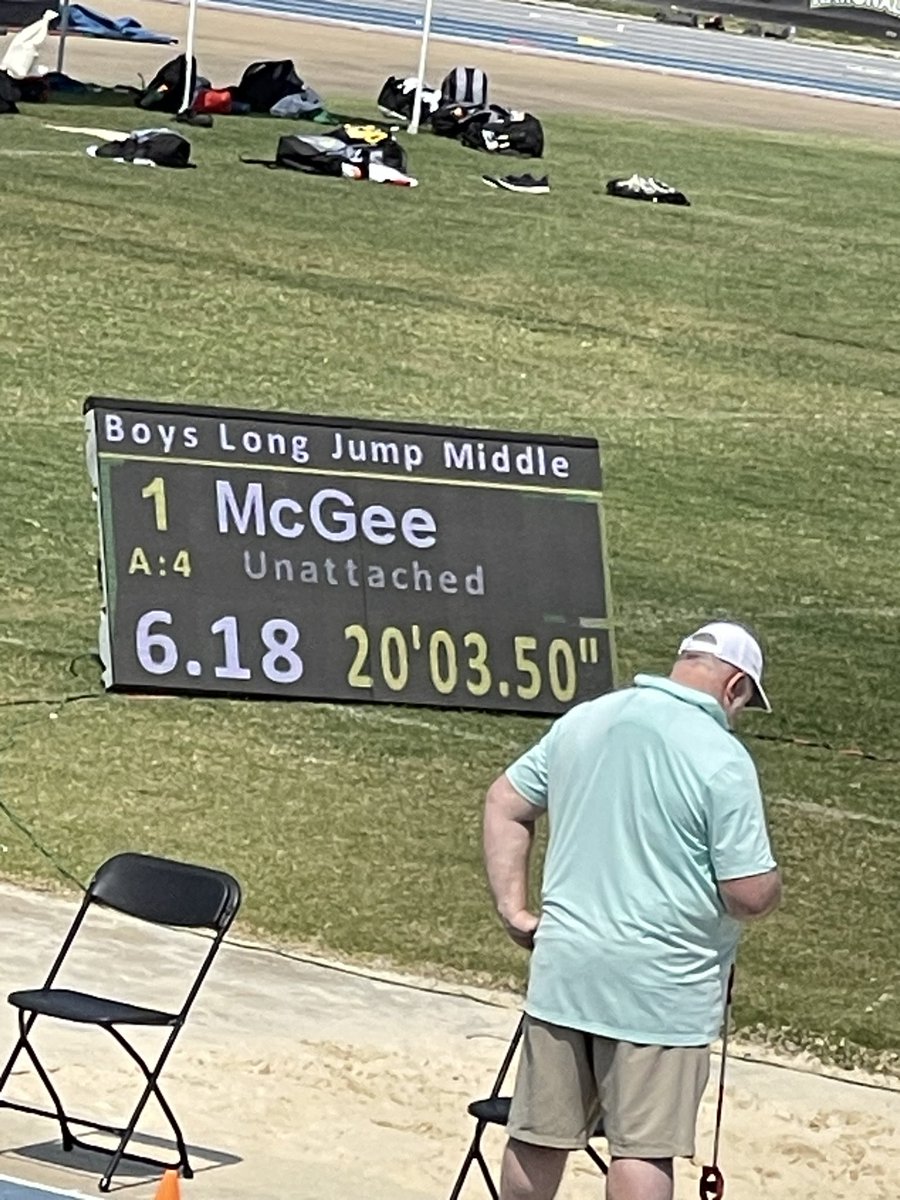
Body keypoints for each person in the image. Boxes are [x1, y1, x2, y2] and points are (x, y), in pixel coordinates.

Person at [482, 620, 782, 1200]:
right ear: (736, 687)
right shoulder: (721, 755)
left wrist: (514, 910)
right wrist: (773, 886)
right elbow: (747, 893)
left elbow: (505, 801)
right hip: (661, 988)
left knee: (537, 1136)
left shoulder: (587, 719)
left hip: (566, 969)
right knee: (642, 1150)